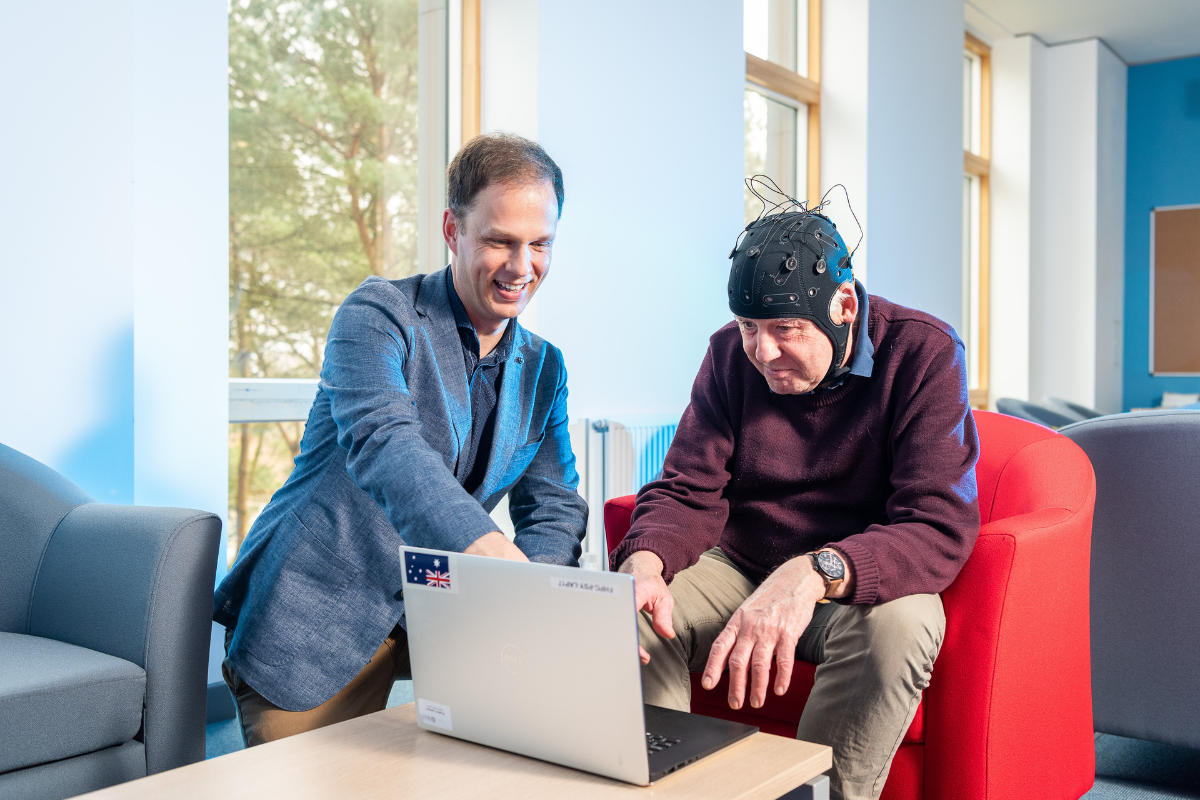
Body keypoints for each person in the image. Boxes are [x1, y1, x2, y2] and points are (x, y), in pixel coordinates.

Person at [214, 133, 588, 746]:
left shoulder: (546, 367)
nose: (523, 267)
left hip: (440, 624)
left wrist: (534, 593)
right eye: (499, 241)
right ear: (452, 229)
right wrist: (494, 553)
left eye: (540, 244)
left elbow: (553, 502)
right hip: (315, 614)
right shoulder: (376, 315)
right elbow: (385, 444)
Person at [610, 206, 980, 800]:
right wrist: (643, 563)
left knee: (906, 626)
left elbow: (937, 524)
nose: (763, 351)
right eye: (749, 327)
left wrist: (812, 572)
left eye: (785, 329)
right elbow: (685, 486)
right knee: (636, 615)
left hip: (852, 587)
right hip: (740, 562)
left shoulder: (924, 353)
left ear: (844, 308)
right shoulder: (729, 355)